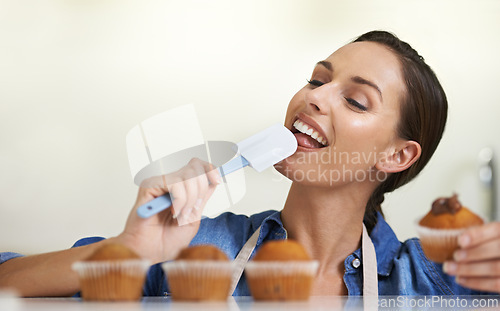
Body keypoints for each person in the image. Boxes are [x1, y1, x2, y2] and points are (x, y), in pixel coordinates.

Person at [1, 30, 499, 297]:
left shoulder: (434, 277)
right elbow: (9, 283)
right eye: (316, 79)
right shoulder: (200, 250)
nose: (316, 96)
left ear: (397, 155)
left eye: (356, 101)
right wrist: (132, 250)